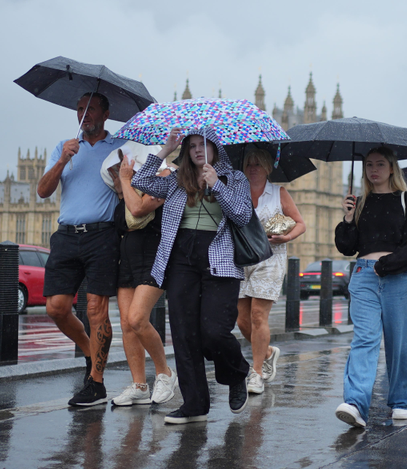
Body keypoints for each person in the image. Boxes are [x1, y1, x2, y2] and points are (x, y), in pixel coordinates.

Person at [131, 127, 252, 424]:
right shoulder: (176, 179)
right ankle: (194, 404)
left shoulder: (234, 178)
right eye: (192, 145)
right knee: (184, 335)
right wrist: (164, 150)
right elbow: (139, 181)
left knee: (214, 332)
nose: (198, 150)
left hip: (219, 258)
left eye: (204, 144)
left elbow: (242, 215)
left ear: (215, 147)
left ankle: (237, 373)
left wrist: (217, 185)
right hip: (181, 257)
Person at [36, 92, 124, 407]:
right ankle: (91, 353)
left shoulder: (119, 148)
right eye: (79, 108)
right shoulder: (63, 147)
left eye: (90, 108)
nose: (83, 114)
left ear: (106, 112)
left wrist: (120, 182)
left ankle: (96, 384)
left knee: (96, 310)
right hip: (66, 235)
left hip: (102, 235)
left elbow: (131, 192)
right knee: (56, 308)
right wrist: (62, 161)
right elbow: (43, 191)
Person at [333, 147, 407, 428]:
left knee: (400, 343)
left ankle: (401, 401)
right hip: (363, 276)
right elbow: (347, 247)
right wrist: (348, 219)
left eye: (380, 164)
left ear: (391, 168)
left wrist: (387, 265)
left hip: (397, 277)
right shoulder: (359, 202)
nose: (374, 170)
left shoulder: (406, 201)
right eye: (369, 165)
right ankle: (355, 403)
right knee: (365, 339)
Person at [103, 146, 178, 406]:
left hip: (154, 257)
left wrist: (125, 181)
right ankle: (139, 385)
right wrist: (123, 184)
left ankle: (165, 373)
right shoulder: (134, 184)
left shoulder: (167, 177)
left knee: (137, 319)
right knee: (126, 324)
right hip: (128, 259)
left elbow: (139, 211)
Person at [236, 147, 306, 395]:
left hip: (270, 258)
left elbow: (300, 223)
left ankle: (256, 373)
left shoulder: (278, 193)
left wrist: (285, 237)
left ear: (267, 167)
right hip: (242, 260)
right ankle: (267, 352)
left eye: (257, 164)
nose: (252, 168)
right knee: (242, 321)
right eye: (248, 164)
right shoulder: (236, 192)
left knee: (258, 316)